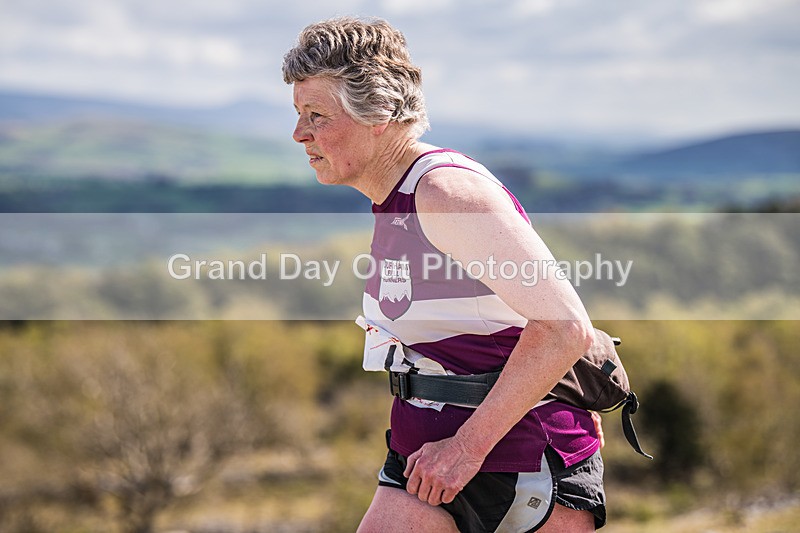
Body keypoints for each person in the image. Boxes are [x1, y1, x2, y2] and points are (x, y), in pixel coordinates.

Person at [283, 17, 605, 532]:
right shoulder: (395, 201)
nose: (299, 134)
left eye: (316, 115)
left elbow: (565, 328)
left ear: (379, 114)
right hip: (424, 460)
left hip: (518, 463)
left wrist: (464, 449)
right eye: (299, 114)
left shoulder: (447, 195)